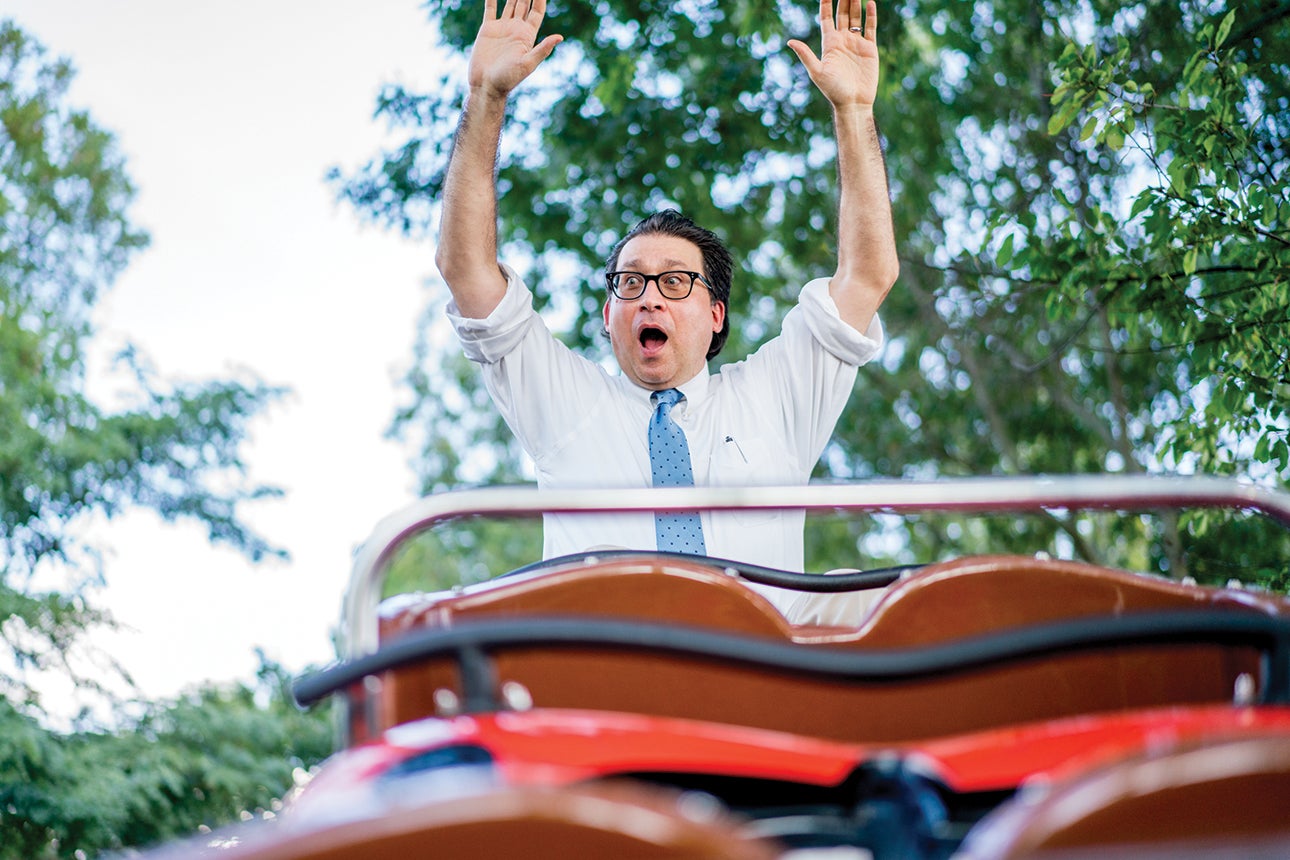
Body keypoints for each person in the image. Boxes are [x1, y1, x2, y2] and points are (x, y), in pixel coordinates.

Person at [436, 0, 898, 616]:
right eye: (629, 283)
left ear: (716, 314)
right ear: (607, 316)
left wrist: (854, 111)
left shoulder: (776, 397)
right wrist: (485, 96)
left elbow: (869, 274)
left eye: (676, 282)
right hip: (615, 675)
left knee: (870, 595)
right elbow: (466, 270)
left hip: (761, 667)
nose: (649, 295)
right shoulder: (567, 403)